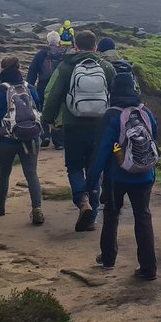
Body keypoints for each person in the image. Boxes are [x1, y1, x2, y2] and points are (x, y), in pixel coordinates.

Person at [86, 70, 158, 280]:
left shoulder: (111, 115)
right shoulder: (146, 112)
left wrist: (91, 182)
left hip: (117, 177)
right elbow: (154, 142)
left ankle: (108, 258)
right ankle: (148, 268)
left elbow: (101, 151)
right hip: (145, 176)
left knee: (111, 215)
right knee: (143, 217)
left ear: (113, 91)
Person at [41, 29, 115, 228]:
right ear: (95, 47)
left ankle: (82, 201)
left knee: (74, 167)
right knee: (94, 169)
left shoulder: (66, 66)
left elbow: (53, 94)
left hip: (73, 125)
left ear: (75, 45)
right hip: (100, 127)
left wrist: (47, 120)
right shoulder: (106, 67)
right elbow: (115, 96)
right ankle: (90, 219)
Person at [0, 56, 45, 225]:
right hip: (30, 137)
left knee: (4, 173)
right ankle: (37, 208)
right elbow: (37, 109)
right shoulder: (29, 88)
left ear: (3, 70)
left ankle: (0, 205)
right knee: (31, 173)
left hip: (6, 141)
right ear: (18, 69)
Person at [27, 31, 66, 150]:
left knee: (42, 111)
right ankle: (58, 141)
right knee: (58, 113)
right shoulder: (63, 55)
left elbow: (32, 73)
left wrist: (29, 88)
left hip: (43, 87)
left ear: (47, 42)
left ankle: (45, 136)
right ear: (59, 42)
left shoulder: (40, 55)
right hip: (60, 88)